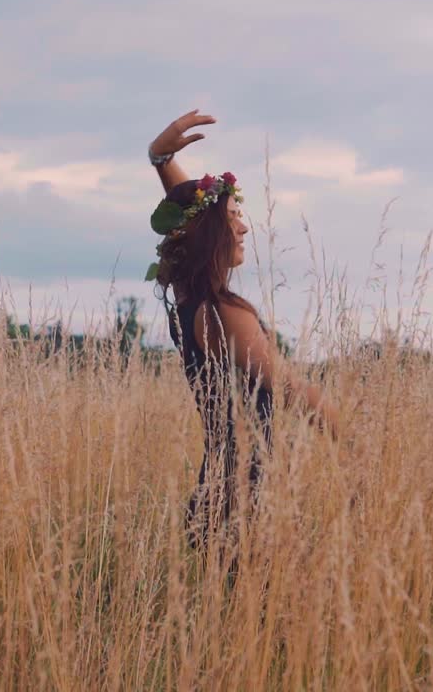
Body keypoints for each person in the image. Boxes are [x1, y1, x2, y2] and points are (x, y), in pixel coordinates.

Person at [145, 110, 341, 553]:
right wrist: (359, 443)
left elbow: (187, 210)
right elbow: (290, 388)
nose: (243, 226)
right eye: (232, 216)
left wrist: (161, 159)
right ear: (209, 231)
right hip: (244, 501)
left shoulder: (187, 296)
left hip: (222, 491)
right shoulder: (222, 314)